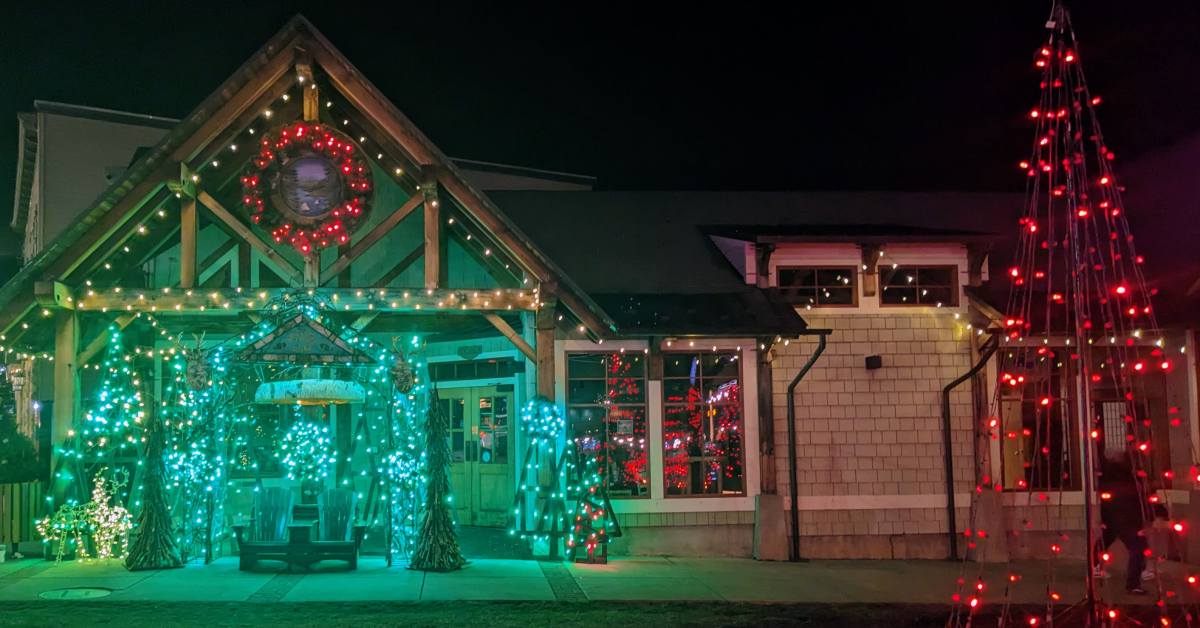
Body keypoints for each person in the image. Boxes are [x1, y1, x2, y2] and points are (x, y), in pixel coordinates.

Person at [1094, 456, 1150, 594]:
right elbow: (1136, 500)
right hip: (1127, 520)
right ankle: (1133, 583)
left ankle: (1095, 565)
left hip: (1116, 519)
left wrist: (1105, 520)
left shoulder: (1110, 481)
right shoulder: (1129, 482)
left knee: (1108, 541)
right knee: (1137, 547)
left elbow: (1107, 502)